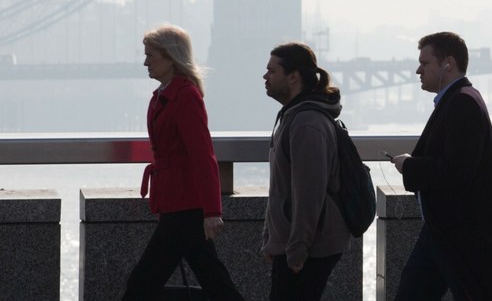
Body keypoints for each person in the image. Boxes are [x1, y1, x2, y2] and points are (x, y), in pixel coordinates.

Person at [390, 31, 492, 301]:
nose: (418, 70)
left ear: (448, 63)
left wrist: (410, 167)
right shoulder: (457, 99)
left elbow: (457, 170)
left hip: (461, 235)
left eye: (425, 62)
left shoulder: (463, 102)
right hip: (441, 231)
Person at [122, 25, 243, 300]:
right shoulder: (165, 94)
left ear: (170, 57)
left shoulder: (185, 96)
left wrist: (213, 210)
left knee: (142, 282)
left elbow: (203, 155)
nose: (145, 62)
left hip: (185, 205)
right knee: (215, 281)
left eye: (150, 55)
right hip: (177, 200)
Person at [261, 41, 351, 300]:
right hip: (291, 242)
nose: (265, 76)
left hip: (309, 247)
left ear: (293, 76)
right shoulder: (292, 116)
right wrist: (271, 238)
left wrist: (297, 248)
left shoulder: (306, 123)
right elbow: (281, 187)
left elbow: (309, 193)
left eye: (272, 71)